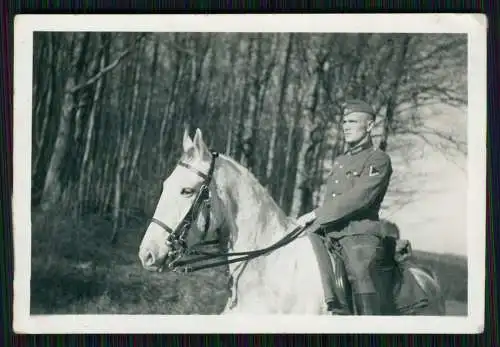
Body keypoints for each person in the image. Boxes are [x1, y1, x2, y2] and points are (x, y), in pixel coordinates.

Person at [296, 99, 394, 315]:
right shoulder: (341, 160)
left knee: (360, 272)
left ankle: (368, 328)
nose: (346, 126)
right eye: (344, 122)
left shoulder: (378, 159)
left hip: (358, 233)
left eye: (352, 121)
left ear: (369, 126)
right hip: (327, 229)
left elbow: (360, 197)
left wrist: (316, 214)